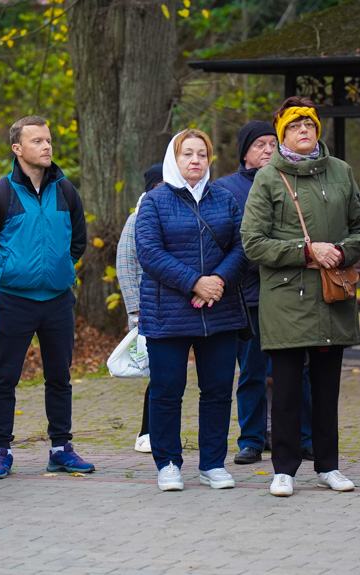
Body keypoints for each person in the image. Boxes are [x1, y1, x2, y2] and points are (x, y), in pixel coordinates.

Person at [242, 97, 360, 497]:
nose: (304, 131)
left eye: (310, 125)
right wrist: (306, 251)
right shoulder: (268, 177)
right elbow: (252, 242)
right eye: (295, 126)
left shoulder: (341, 172)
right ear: (283, 134)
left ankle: (328, 466)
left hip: (331, 296)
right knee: (284, 389)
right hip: (286, 299)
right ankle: (283, 469)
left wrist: (340, 250)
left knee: (326, 389)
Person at [136, 129, 248, 492]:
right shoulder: (154, 201)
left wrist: (218, 280)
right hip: (168, 313)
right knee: (167, 391)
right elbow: (150, 253)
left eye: (202, 154)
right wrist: (193, 282)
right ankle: (167, 463)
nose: (196, 160)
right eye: (188, 153)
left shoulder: (225, 200)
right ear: (175, 158)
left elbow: (242, 246)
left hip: (220, 309)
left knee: (217, 390)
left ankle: (213, 463)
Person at [0, 115, 91, 479]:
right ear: (18, 149)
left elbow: (78, 242)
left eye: (49, 140)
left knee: (59, 377)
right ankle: (1, 450)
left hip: (58, 300)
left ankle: (61, 448)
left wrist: (59, 268)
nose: (47, 147)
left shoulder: (67, 191)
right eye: (38, 141)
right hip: (14, 300)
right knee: (4, 378)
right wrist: (5, 271)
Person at [211, 120, 314, 465]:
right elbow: (224, 241)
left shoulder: (292, 179)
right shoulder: (224, 189)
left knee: (296, 370)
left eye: (273, 144)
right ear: (244, 152)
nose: (268, 151)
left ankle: (304, 436)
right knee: (252, 371)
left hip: (290, 293)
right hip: (247, 296)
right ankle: (251, 440)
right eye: (260, 145)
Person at [116, 162, 163, 453]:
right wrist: (135, 310)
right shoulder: (138, 217)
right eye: (158, 186)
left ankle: (162, 431)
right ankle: (146, 432)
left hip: (180, 309)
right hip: (149, 309)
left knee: (170, 374)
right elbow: (125, 264)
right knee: (158, 373)